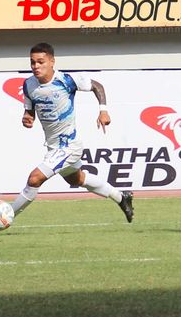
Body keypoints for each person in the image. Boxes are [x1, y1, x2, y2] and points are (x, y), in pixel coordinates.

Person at [10, 42, 134, 223]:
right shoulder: (28, 85)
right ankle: (121, 197)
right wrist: (27, 117)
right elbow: (29, 110)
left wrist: (103, 110)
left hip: (69, 145)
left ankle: (7, 215)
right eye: (32, 62)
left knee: (35, 179)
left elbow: (97, 86)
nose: (36, 66)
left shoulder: (66, 80)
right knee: (77, 180)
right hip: (53, 147)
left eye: (40, 62)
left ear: (52, 62)